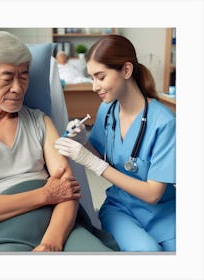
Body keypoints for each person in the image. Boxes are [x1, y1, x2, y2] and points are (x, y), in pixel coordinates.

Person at [0, 31, 119, 252]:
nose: (18, 88)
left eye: (23, 76)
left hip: (57, 226)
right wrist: (44, 195)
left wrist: (51, 243)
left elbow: (68, 191)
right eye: (7, 77)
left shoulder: (40, 122)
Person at [55, 34, 176, 252]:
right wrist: (83, 141)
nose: (94, 87)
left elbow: (152, 194)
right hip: (120, 208)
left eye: (100, 77)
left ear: (126, 71)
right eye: (92, 78)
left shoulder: (164, 122)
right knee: (150, 254)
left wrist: (94, 164)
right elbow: (101, 154)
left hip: (164, 212)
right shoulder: (107, 111)